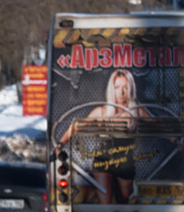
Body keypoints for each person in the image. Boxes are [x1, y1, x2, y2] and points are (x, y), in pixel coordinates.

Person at [58, 69, 156, 204]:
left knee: (124, 200)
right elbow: (76, 126)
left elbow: (159, 125)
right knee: (105, 204)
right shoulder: (102, 111)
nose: (121, 92)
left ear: (131, 89)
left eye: (125, 87)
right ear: (112, 89)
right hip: (103, 160)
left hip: (125, 161)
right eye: (117, 87)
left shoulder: (137, 111)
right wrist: (60, 144)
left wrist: (177, 140)